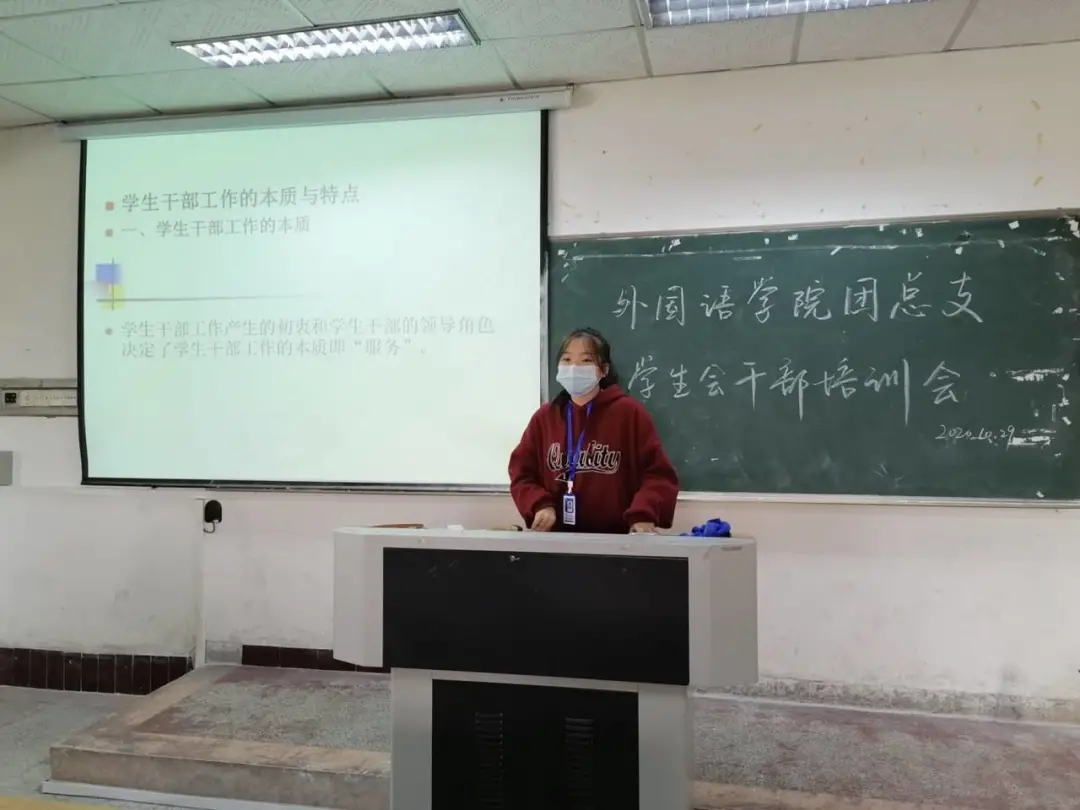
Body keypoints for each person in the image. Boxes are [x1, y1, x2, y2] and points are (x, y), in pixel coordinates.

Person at [508, 327, 679, 534]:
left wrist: (643, 514)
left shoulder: (629, 413)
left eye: (586, 361)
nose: (574, 368)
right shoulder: (545, 417)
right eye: (567, 360)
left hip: (618, 540)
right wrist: (539, 504)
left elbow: (658, 474)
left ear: (604, 369)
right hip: (556, 540)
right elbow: (521, 473)